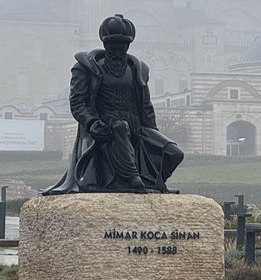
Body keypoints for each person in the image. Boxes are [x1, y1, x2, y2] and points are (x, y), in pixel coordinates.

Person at [42, 14, 184, 194]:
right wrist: (92, 123)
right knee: (120, 129)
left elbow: (146, 106)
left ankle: (153, 182)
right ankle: (133, 179)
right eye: (112, 47)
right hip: (106, 127)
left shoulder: (138, 70)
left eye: (121, 47)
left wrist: (152, 133)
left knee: (174, 153)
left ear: (128, 45)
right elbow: (77, 102)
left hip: (137, 127)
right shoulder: (85, 68)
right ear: (105, 45)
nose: (117, 52)